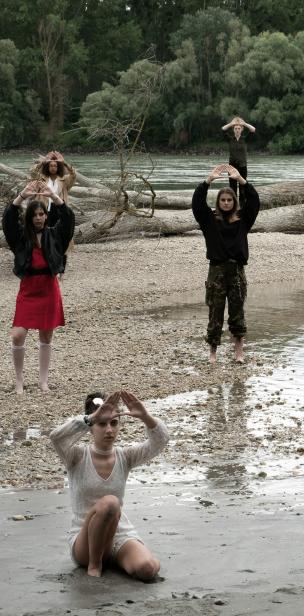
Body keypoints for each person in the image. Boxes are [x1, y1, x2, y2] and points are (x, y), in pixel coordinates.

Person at [49, 391, 169, 579]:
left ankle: (120, 558)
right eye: (102, 424)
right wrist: (90, 418)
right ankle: (95, 565)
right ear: (91, 427)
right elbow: (56, 437)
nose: (109, 430)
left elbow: (161, 441)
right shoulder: (76, 456)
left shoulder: (126, 456)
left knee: (148, 569)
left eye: (114, 423)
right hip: (84, 542)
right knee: (110, 503)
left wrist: (146, 417)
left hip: (118, 536)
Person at [2, 180, 75, 394]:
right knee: (17, 335)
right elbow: (7, 220)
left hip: (49, 289)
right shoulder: (21, 237)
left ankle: (43, 382)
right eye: (34, 215)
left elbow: (69, 218)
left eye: (42, 214)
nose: (38, 218)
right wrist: (22, 196)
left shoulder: (55, 234)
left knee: (46, 336)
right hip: (28, 289)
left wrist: (53, 196)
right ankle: (19, 380)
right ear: (29, 217)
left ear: (46, 216)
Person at [191, 163, 260, 363]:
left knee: (237, 311)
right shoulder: (209, 220)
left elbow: (254, 202)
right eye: (223, 200)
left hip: (237, 270)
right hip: (217, 271)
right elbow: (197, 203)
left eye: (230, 200)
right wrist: (208, 181)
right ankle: (213, 352)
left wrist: (241, 180)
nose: (227, 202)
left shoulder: (243, 220)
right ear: (218, 202)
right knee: (215, 311)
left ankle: (239, 350)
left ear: (234, 202)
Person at [221, 116, 255, 199]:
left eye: (239, 128)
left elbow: (253, 129)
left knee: (242, 188)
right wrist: (231, 124)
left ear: (241, 129)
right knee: (232, 188)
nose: (237, 130)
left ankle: (242, 207)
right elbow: (223, 129)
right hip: (231, 167)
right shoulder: (230, 139)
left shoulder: (245, 139)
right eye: (235, 128)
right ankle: (233, 207)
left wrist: (244, 123)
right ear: (233, 130)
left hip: (242, 166)